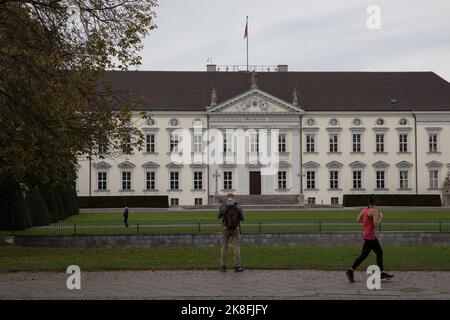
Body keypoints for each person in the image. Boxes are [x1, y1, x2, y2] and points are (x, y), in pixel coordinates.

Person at [346, 195, 393, 282]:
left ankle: (350, 271)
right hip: (371, 236)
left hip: (366, 235)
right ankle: (381, 274)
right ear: (375, 202)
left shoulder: (364, 210)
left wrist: (367, 222)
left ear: (368, 202)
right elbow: (376, 224)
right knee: (379, 252)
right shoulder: (374, 211)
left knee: (364, 255)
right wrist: (381, 217)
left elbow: (358, 220)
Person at [218, 193, 244, 273]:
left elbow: (219, 216)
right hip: (235, 229)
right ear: (233, 198)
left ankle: (223, 266)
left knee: (224, 248)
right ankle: (237, 266)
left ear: (227, 198)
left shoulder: (223, 206)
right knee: (236, 248)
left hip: (225, 229)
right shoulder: (238, 206)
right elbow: (242, 218)